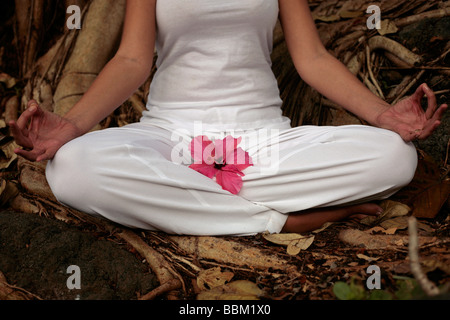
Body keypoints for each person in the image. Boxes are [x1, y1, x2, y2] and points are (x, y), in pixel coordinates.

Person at [10, 0, 447, 236]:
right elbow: (131, 60)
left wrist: (384, 115)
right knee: (72, 168)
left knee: (394, 158)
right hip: (171, 135)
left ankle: (199, 203)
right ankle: (275, 220)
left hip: (263, 139)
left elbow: (311, 58)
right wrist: (73, 126)